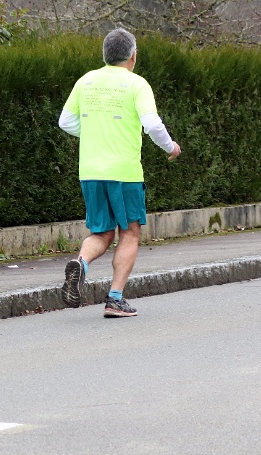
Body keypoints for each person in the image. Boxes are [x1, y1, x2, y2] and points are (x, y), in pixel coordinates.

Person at [58, 28, 181, 318]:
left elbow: (65, 121)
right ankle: (115, 298)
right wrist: (171, 146)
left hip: (90, 171)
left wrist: (95, 133)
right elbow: (152, 124)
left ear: (105, 55)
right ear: (133, 56)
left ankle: (81, 264)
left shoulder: (86, 81)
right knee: (130, 232)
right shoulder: (136, 84)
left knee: (101, 232)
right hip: (124, 173)